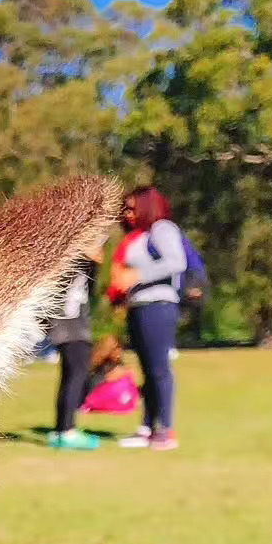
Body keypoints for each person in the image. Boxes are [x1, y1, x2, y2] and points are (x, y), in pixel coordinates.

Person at [108, 188, 185, 451]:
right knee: (148, 370)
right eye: (125, 209)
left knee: (159, 369)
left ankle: (166, 430)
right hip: (139, 306)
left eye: (133, 208)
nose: (128, 214)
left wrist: (138, 275)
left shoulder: (162, 229)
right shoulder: (136, 236)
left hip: (158, 306)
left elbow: (176, 262)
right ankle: (147, 428)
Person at [45, 243, 102, 450]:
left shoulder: (78, 263)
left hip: (68, 326)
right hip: (72, 326)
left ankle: (61, 429)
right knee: (76, 375)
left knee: (70, 376)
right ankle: (67, 431)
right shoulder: (70, 260)